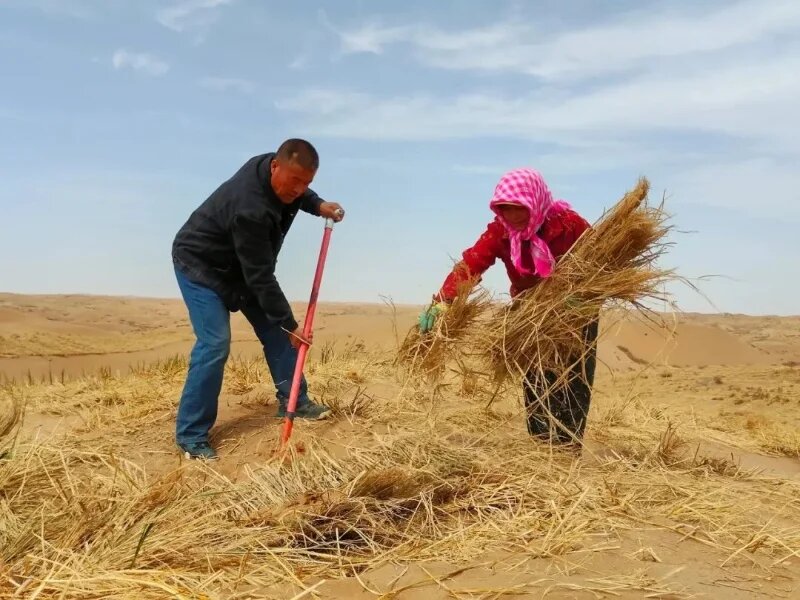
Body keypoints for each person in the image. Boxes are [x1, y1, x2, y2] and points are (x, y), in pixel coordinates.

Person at [171, 139, 344, 460]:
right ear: (275, 167)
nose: (298, 189)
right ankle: (190, 435)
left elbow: (297, 189)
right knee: (215, 343)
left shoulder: (273, 168)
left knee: (277, 334)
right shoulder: (250, 207)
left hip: (241, 266)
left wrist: (317, 204)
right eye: (294, 181)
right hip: (201, 265)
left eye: (307, 182)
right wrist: (292, 324)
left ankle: (296, 402)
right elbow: (260, 278)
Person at [418, 168, 597, 447]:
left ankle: (568, 448)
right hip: (530, 313)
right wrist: (443, 301)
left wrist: (582, 294)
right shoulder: (501, 230)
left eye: (518, 209)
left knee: (574, 379)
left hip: (575, 312)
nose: (511, 216)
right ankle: (540, 444)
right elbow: (472, 263)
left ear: (534, 202)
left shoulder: (570, 225)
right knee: (537, 377)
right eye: (504, 208)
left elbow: (603, 261)